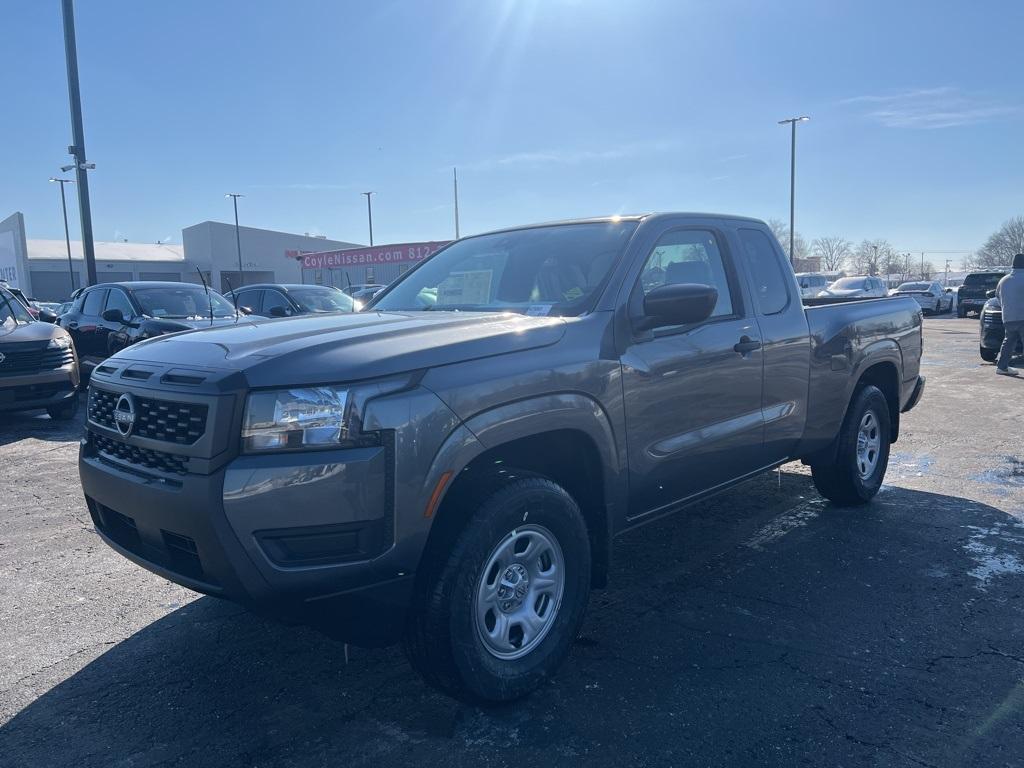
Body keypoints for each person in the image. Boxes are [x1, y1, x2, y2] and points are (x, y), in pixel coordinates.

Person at [995, 252, 1024, 376]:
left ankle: (1002, 367)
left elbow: (998, 297)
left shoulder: (1004, 280)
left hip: (1008, 317)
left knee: (1008, 342)